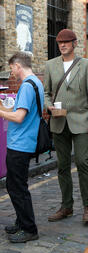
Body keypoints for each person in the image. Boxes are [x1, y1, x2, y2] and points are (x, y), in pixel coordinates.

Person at [44, 29, 88, 223]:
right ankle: (66, 206)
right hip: (58, 121)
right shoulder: (50, 65)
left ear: (75, 43)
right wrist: (48, 105)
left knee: (83, 163)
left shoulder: (86, 65)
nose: (63, 45)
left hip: (81, 120)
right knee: (62, 166)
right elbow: (46, 92)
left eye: (67, 42)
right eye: (60, 42)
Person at [0, 52, 42, 243]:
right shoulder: (36, 83)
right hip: (25, 141)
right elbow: (18, 111)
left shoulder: (26, 86)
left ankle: (29, 228)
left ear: (18, 66)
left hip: (20, 143)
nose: (12, 73)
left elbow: (19, 117)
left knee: (17, 187)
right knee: (17, 185)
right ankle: (20, 221)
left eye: (12, 69)